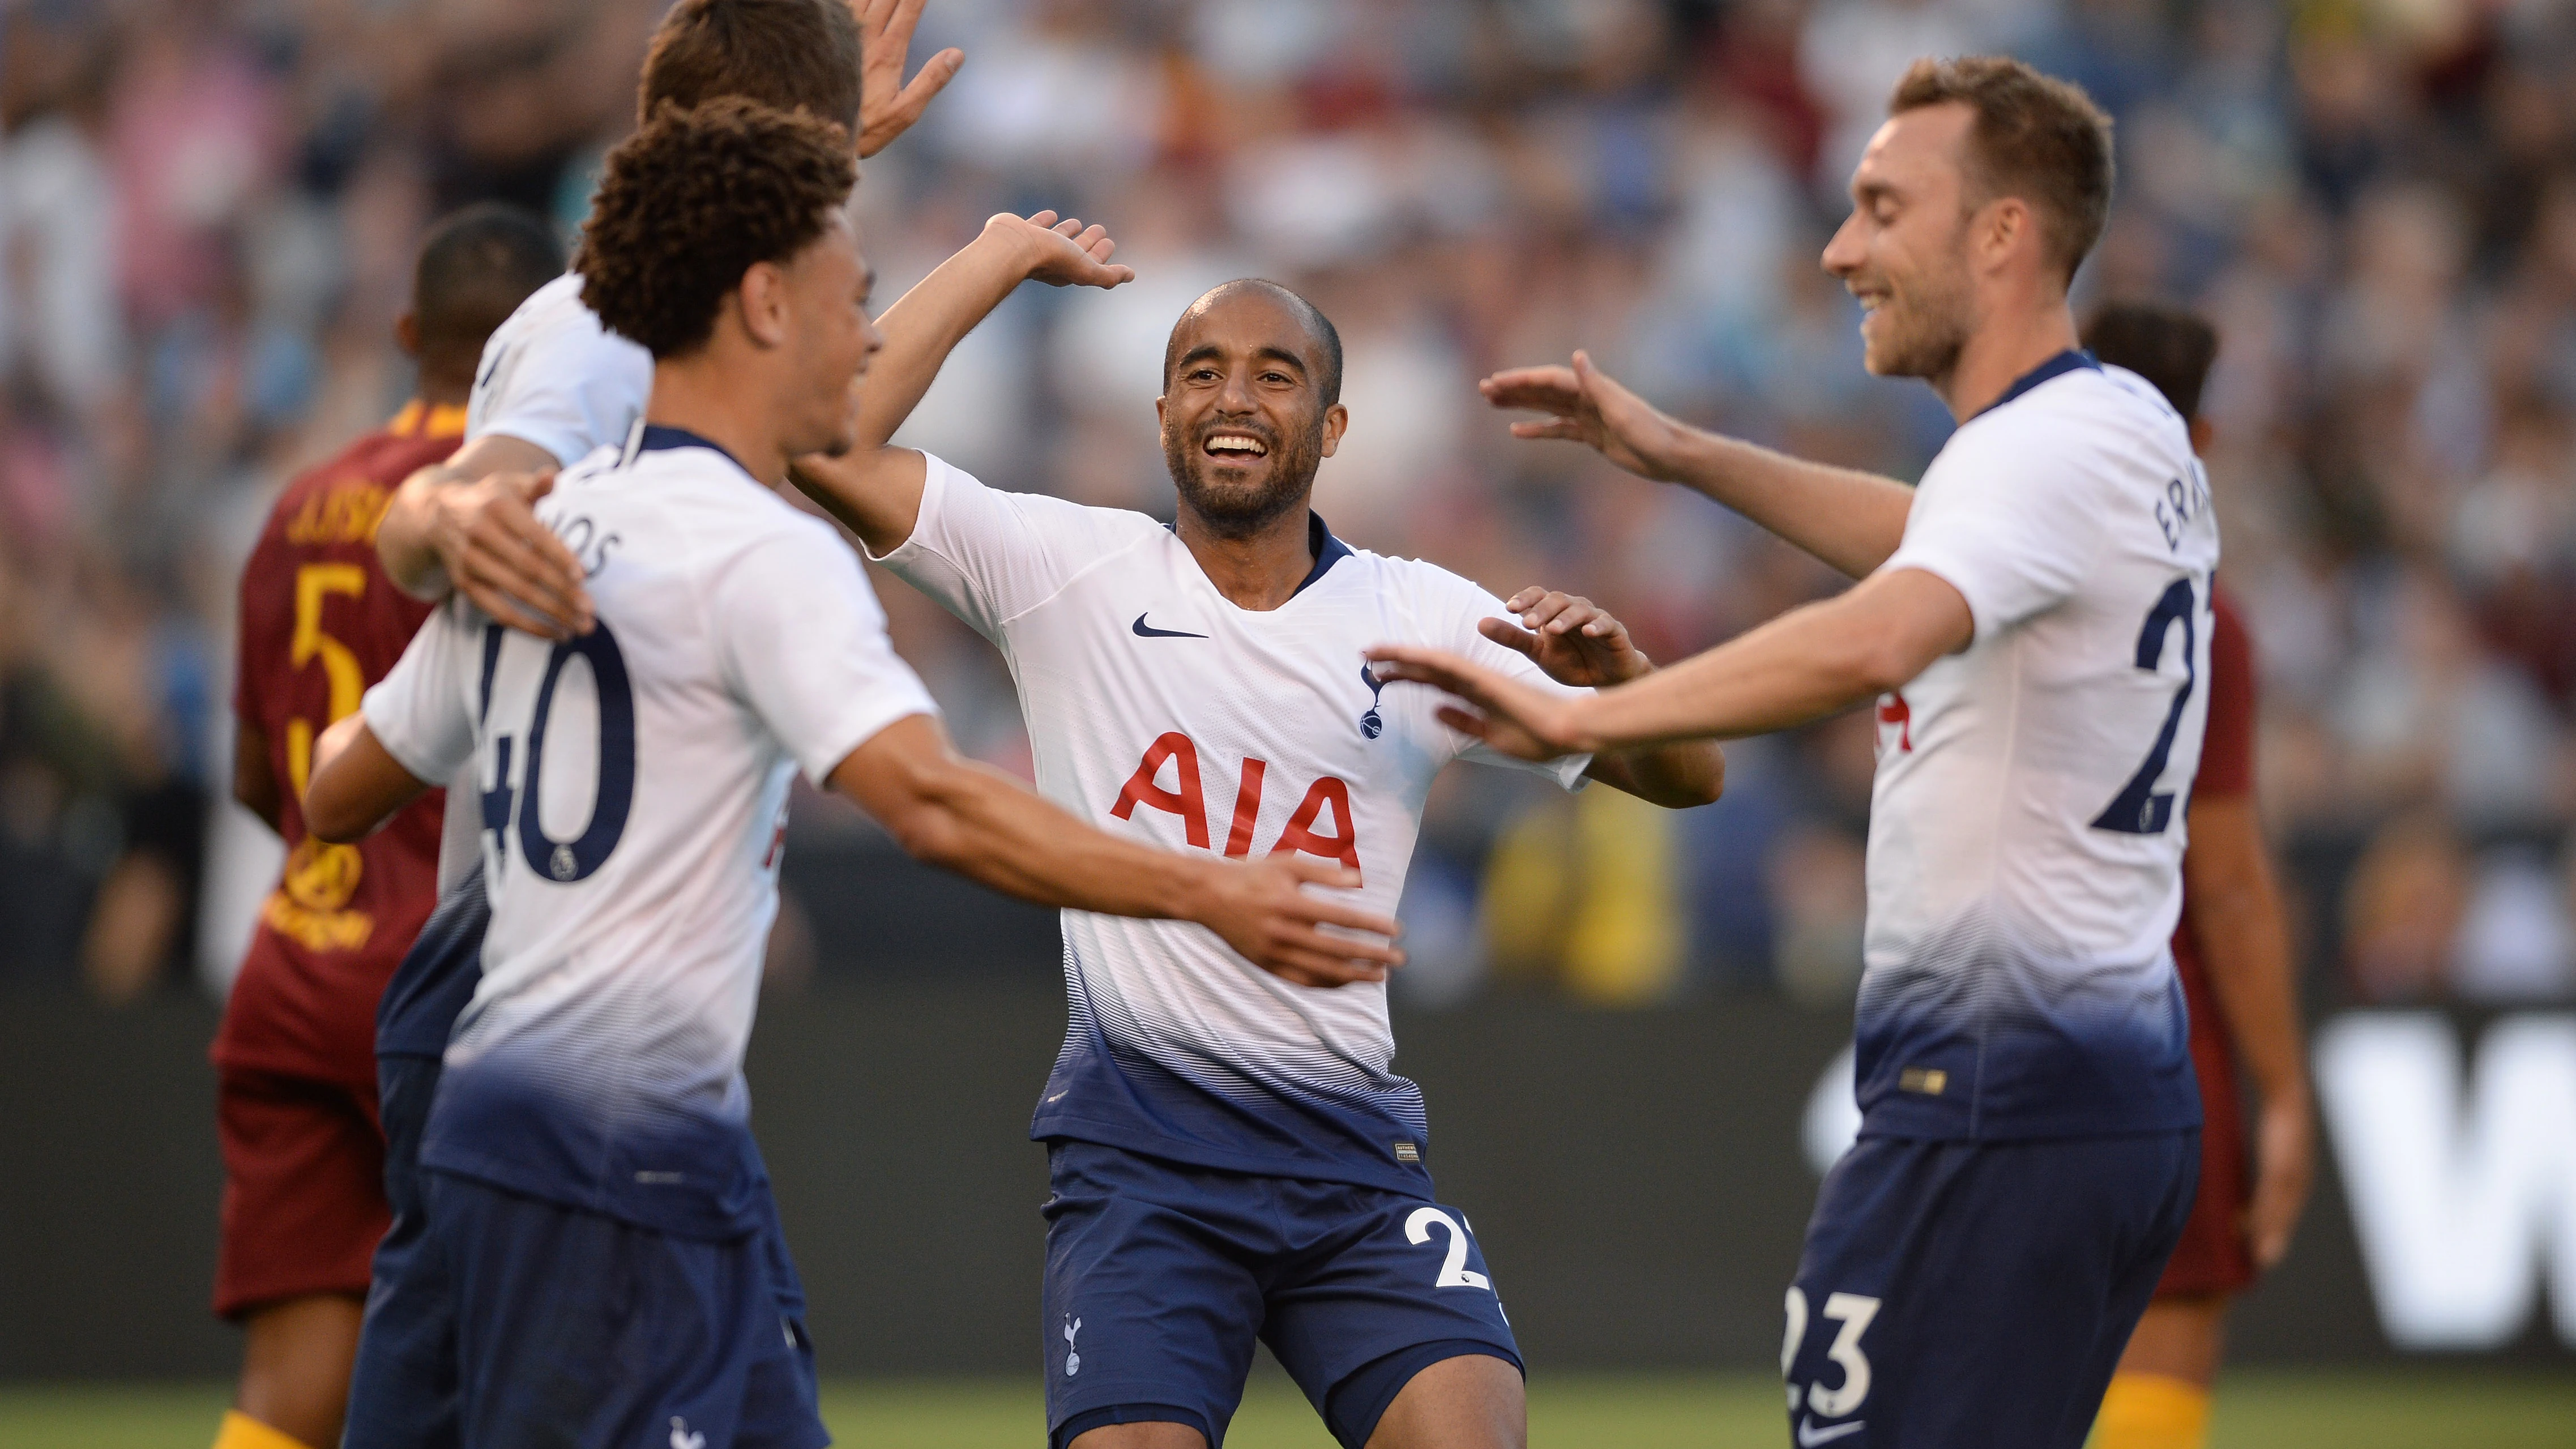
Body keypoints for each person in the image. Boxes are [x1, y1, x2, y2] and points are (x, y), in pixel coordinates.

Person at [305, 99, 1400, 1449]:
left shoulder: (546, 519)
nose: (866, 339)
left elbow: (339, 788)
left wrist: (440, 539)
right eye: (856, 303)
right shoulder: (759, 554)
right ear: (767, 306)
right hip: (614, 1145)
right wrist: (1207, 890)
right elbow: (932, 800)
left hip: (498, 1111)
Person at [1369, 57, 2214, 1448]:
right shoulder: (2124, 426)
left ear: (2002, 231)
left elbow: (1882, 632)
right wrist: (1683, 452)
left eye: (1884, 206)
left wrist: (1588, 717)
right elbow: (1933, 530)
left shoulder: (2038, 455)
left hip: (1993, 1097)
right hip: (2108, 1087)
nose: (1841, 248)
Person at [786, 217, 1724, 1445]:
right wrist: (998, 257)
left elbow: (1689, 774)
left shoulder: (1422, 615)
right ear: (1163, 411)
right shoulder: (1069, 572)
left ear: (1332, 429)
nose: (1235, 396)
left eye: (1275, 374)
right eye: (1202, 371)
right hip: (1143, 1174)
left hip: (1348, 1165)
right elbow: (826, 441)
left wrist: (1629, 677)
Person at [341, 6, 959, 1445]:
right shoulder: (593, 332)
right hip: (541, 973)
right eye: (813, 172)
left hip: (588, 983)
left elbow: (828, 424)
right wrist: (447, 519)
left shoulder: (665, 336)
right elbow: (465, 494)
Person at [208, 202, 560, 1449]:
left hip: (293, 964)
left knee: (292, 1392)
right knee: (524, 1366)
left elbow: (263, 772)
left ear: (410, 330)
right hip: (451, 986)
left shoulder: (297, 504)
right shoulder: (531, 502)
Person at [2081, 303, 2313, 1449]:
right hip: (2160, 1030)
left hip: (1986, 1020)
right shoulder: (2202, 617)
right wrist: (2286, 1094)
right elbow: (2225, 881)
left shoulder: (1973, 574)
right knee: (2160, 1370)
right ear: (2201, 438)